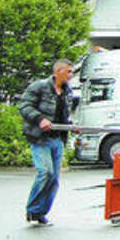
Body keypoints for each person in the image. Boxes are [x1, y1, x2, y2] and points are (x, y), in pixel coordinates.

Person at [18, 59, 74, 225]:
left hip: (57, 138)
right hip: (40, 137)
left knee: (54, 179)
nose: (71, 75)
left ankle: (40, 213)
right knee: (46, 172)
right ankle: (32, 209)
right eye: (69, 71)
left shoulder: (67, 92)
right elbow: (24, 106)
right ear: (58, 72)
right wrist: (40, 119)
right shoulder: (40, 86)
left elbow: (63, 116)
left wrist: (71, 126)